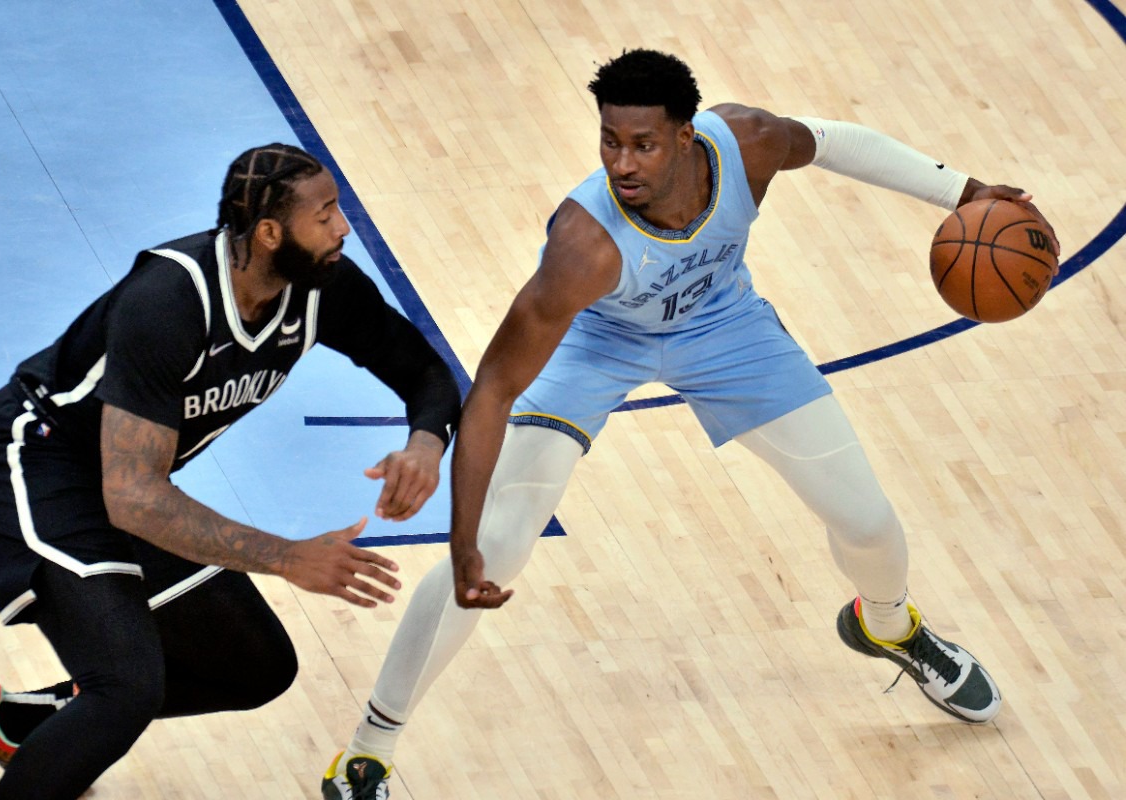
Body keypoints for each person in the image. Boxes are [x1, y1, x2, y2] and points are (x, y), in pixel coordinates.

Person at [321, 49, 1061, 799]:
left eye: (641, 143)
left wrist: (965, 193)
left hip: (722, 328)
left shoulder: (748, 142)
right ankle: (368, 754)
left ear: (684, 136)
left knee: (867, 522)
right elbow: (491, 393)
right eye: (608, 140)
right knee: (499, 546)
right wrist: (462, 542)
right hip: (596, 344)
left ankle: (889, 626)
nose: (621, 161)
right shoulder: (583, 247)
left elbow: (835, 141)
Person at [0, 143, 462, 800]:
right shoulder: (169, 301)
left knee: (254, 666)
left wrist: (423, 443)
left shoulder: (323, 287)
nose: (342, 227)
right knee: (126, 689)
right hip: (40, 463)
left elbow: (424, 371)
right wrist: (286, 556)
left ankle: (21, 724)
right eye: (324, 214)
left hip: (129, 481)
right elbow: (132, 500)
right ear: (269, 233)